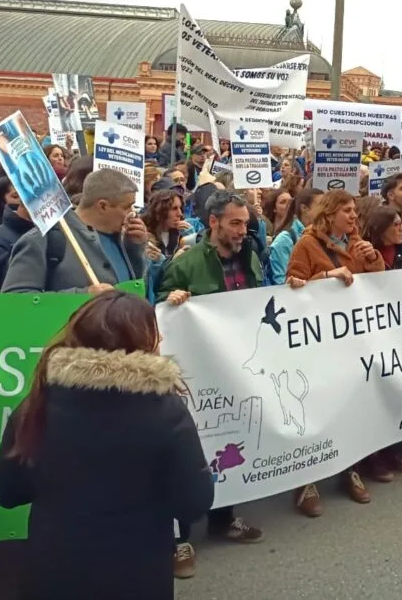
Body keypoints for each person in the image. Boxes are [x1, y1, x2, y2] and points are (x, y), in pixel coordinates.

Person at [0, 292, 214, 600]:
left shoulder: (37, 405)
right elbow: (195, 501)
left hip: (53, 571)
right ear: (142, 342)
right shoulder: (166, 411)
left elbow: (6, 492)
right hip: (137, 576)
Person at [155, 189, 266, 576]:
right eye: (235, 223)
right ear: (213, 222)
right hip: (195, 374)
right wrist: (172, 297)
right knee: (190, 450)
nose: (242, 231)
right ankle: (180, 537)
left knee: (230, 442)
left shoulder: (249, 256)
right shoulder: (187, 263)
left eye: (246, 224)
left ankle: (225, 516)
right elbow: (158, 302)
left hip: (235, 368)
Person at [287, 189, 384, 516]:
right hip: (318, 344)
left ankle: (348, 469)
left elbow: (378, 286)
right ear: (329, 215)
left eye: (355, 211)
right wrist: (327, 275)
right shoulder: (307, 245)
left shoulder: (356, 243)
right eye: (347, 211)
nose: (354, 216)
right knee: (316, 409)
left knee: (349, 405)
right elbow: (293, 287)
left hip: (351, 341)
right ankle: (306, 481)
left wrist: (373, 259)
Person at [2, 169, 148, 294]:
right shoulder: (43, 239)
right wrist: (83, 295)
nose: (132, 214)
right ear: (102, 206)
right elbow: (16, 299)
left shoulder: (124, 239)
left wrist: (135, 250)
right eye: (127, 207)